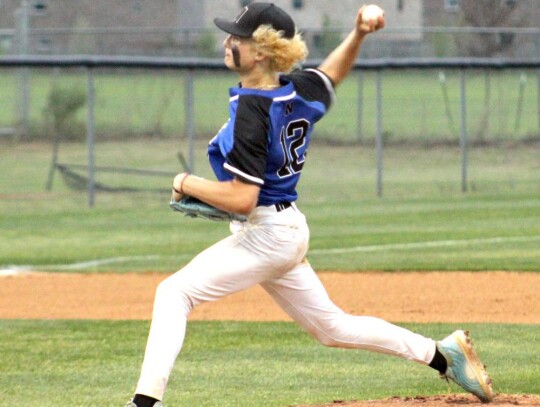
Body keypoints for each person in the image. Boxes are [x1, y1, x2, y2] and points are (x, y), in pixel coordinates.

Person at [126, 3, 494, 406]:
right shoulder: (295, 89)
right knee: (331, 328)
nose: (227, 42)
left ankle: (145, 402)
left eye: (237, 38)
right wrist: (358, 34)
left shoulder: (254, 109)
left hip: (266, 233)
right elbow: (332, 73)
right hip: (284, 229)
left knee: (174, 292)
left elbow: (243, 199)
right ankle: (443, 355)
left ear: (261, 52)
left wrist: (186, 181)